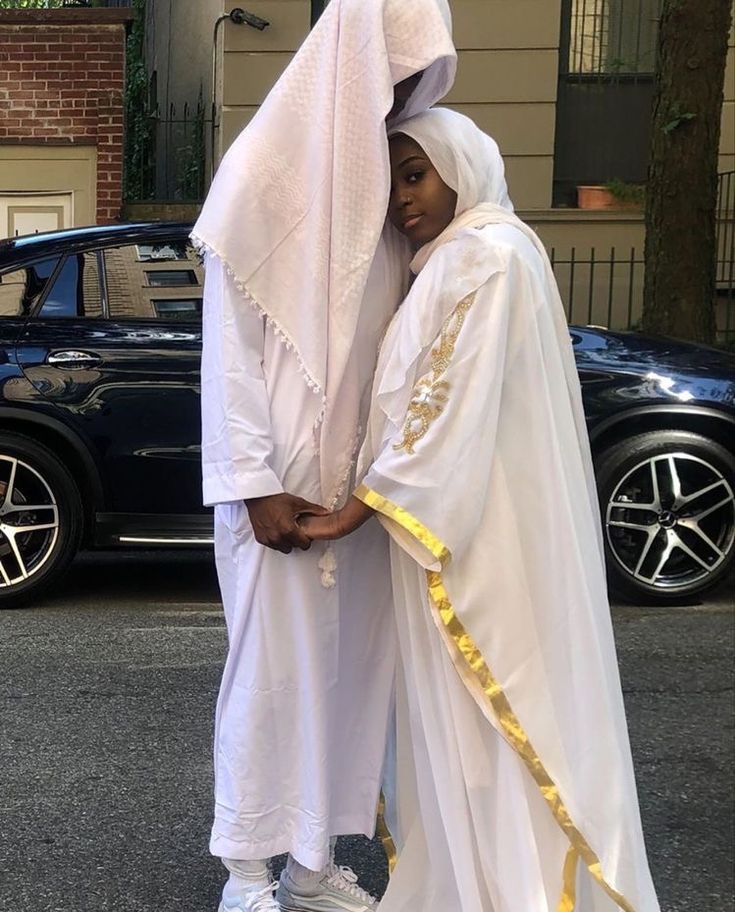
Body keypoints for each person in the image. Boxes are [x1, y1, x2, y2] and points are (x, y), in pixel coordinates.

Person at [300, 108, 662, 912]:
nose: (402, 198)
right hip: (442, 530)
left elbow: (443, 406)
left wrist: (347, 515)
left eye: (413, 173)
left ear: (459, 166)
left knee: (496, 719)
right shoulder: (451, 259)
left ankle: (520, 893)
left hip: (479, 540)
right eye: (393, 180)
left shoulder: (488, 256)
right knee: (455, 730)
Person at [190, 3, 456, 911]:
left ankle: (311, 870)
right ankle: (246, 877)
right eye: (387, 77)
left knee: (350, 684)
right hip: (278, 494)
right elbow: (228, 349)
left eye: (410, 82)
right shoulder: (260, 176)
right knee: (270, 677)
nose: (395, 97)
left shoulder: (383, 205)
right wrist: (255, 482)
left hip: (359, 495)